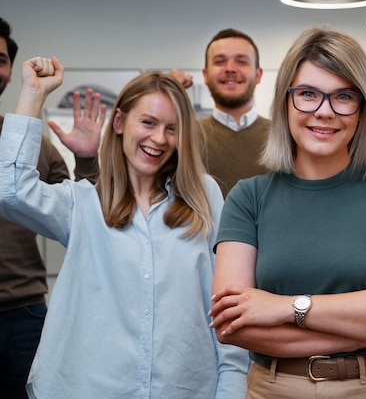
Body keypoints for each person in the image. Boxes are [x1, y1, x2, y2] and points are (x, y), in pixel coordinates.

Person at [0, 57, 250, 398]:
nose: (159, 139)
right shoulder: (82, 204)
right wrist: (31, 92)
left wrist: (231, 388)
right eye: (147, 122)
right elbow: (11, 191)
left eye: (172, 128)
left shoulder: (203, 196)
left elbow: (225, 303)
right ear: (119, 121)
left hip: (185, 388)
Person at [209, 27, 366, 399]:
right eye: (308, 94)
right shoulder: (248, 197)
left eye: (343, 96)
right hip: (274, 389)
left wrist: (284, 307)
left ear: (362, 109)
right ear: (285, 101)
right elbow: (232, 324)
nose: (324, 112)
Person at [0, 18, 102, 399]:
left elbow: (84, 210)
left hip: (23, 311)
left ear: (10, 70)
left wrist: (87, 159)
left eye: (1, 59)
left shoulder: (32, 145)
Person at [171, 28, 270, 197]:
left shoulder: (284, 135)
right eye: (219, 61)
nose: (230, 68)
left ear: (258, 74)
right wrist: (168, 88)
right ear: (205, 75)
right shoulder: (184, 135)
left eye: (241, 61)